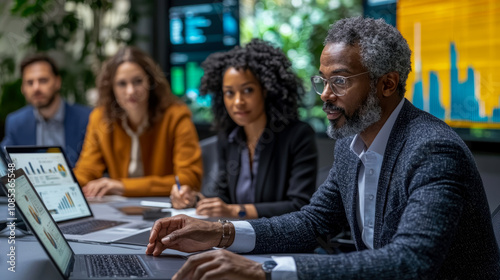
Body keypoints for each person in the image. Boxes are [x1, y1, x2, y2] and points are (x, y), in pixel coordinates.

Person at [146, 17, 500, 279]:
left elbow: (409, 261)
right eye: (323, 81)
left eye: (340, 81)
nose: (326, 95)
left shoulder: (433, 150)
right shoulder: (350, 144)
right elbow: (312, 222)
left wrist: (263, 269)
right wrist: (220, 232)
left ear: (387, 84)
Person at [170, 39, 318, 219]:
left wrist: (235, 211)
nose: (238, 102)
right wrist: (194, 199)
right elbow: (223, 197)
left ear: (265, 90)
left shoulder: (298, 136)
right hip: (238, 238)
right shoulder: (230, 137)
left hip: (282, 241)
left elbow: (299, 206)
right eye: (229, 93)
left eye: (247, 90)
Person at [73, 47, 202, 198]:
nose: (130, 91)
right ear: (111, 88)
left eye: (138, 81)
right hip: (120, 210)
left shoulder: (176, 116)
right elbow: (86, 171)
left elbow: (189, 180)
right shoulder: (100, 118)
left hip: (167, 208)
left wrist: (122, 186)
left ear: (150, 81)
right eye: (122, 84)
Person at [1, 54, 91, 167]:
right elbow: (5, 164)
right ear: (23, 88)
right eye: (30, 82)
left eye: (43, 80)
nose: (36, 88)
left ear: (57, 82)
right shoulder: (16, 122)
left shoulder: (87, 118)